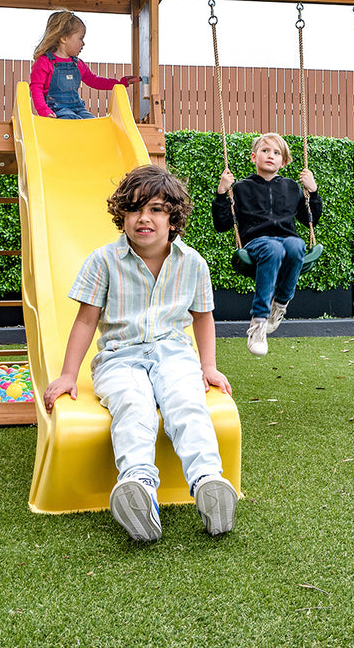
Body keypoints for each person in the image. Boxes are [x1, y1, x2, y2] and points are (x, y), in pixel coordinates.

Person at [43, 165, 237, 543]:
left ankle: (209, 482)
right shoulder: (103, 261)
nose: (143, 218)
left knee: (186, 401)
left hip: (173, 354)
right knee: (134, 405)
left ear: (174, 218)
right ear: (122, 216)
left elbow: (203, 318)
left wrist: (208, 367)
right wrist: (68, 374)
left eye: (156, 209)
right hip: (120, 357)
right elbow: (85, 321)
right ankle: (139, 487)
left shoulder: (192, 262)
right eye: (134, 209)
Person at [212, 133, 322, 357]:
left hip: (286, 239)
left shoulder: (292, 187)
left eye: (276, 152)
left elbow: (311, 218)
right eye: (265, 151)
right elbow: (222, 224)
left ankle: (280, 305)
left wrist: (313, 191)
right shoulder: (242, 188)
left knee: (297, 246)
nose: (270, 156)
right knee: (273, 248)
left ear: (284, 161)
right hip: (256, 242)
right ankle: (259, 322)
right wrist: (222, 192)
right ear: (254, 157)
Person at [29, 10, 140, 119]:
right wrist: (44, 111)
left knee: (93, 122)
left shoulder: (77, 64)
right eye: (80, 38)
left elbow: (95, 81)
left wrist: (120, 83)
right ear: (64, 38)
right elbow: (36, 88)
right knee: (72, 120)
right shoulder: (45, 62)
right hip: (57, 110)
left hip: (78, 108)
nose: (83, 43)